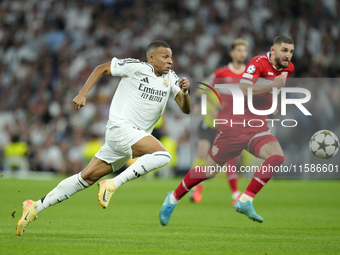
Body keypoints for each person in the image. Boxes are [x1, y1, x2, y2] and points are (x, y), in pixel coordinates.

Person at [16, 41, 191, 236]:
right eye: (165, 56)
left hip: (130, 138)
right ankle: (113, 183)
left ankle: (35, 206)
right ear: (151, 58)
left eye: (171, 57)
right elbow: (101, 68)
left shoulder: (171, 78)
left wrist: (184, 92)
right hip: (121, 128)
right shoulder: (136, 67)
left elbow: (186, 109)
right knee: (163, 155)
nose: (170, 61)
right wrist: (83, 94)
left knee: (86, 178)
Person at [159, 35, 294, 226]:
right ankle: (173, 197)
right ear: (273, 50)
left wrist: (272, 105)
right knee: (209, 171)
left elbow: (271, 91)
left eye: (291, 51)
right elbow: (243, 88)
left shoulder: (288, 69)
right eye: (284, 50)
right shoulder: (256, 64)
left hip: (257, 127)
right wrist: (204, 104)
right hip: (234, 126)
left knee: (277, 156)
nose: (288, 55)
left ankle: (245, 200)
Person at [189, 38, 249, 205]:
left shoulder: (249, 76)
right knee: (203, 154)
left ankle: (235, 194)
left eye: (244, 50)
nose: (242, 53)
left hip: (230, 124)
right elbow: (203, 90)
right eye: (239, 50)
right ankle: (197, 186)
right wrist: (201, 105)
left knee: (229, 160)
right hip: (209, 122)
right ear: (232, 53)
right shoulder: (220, 74)